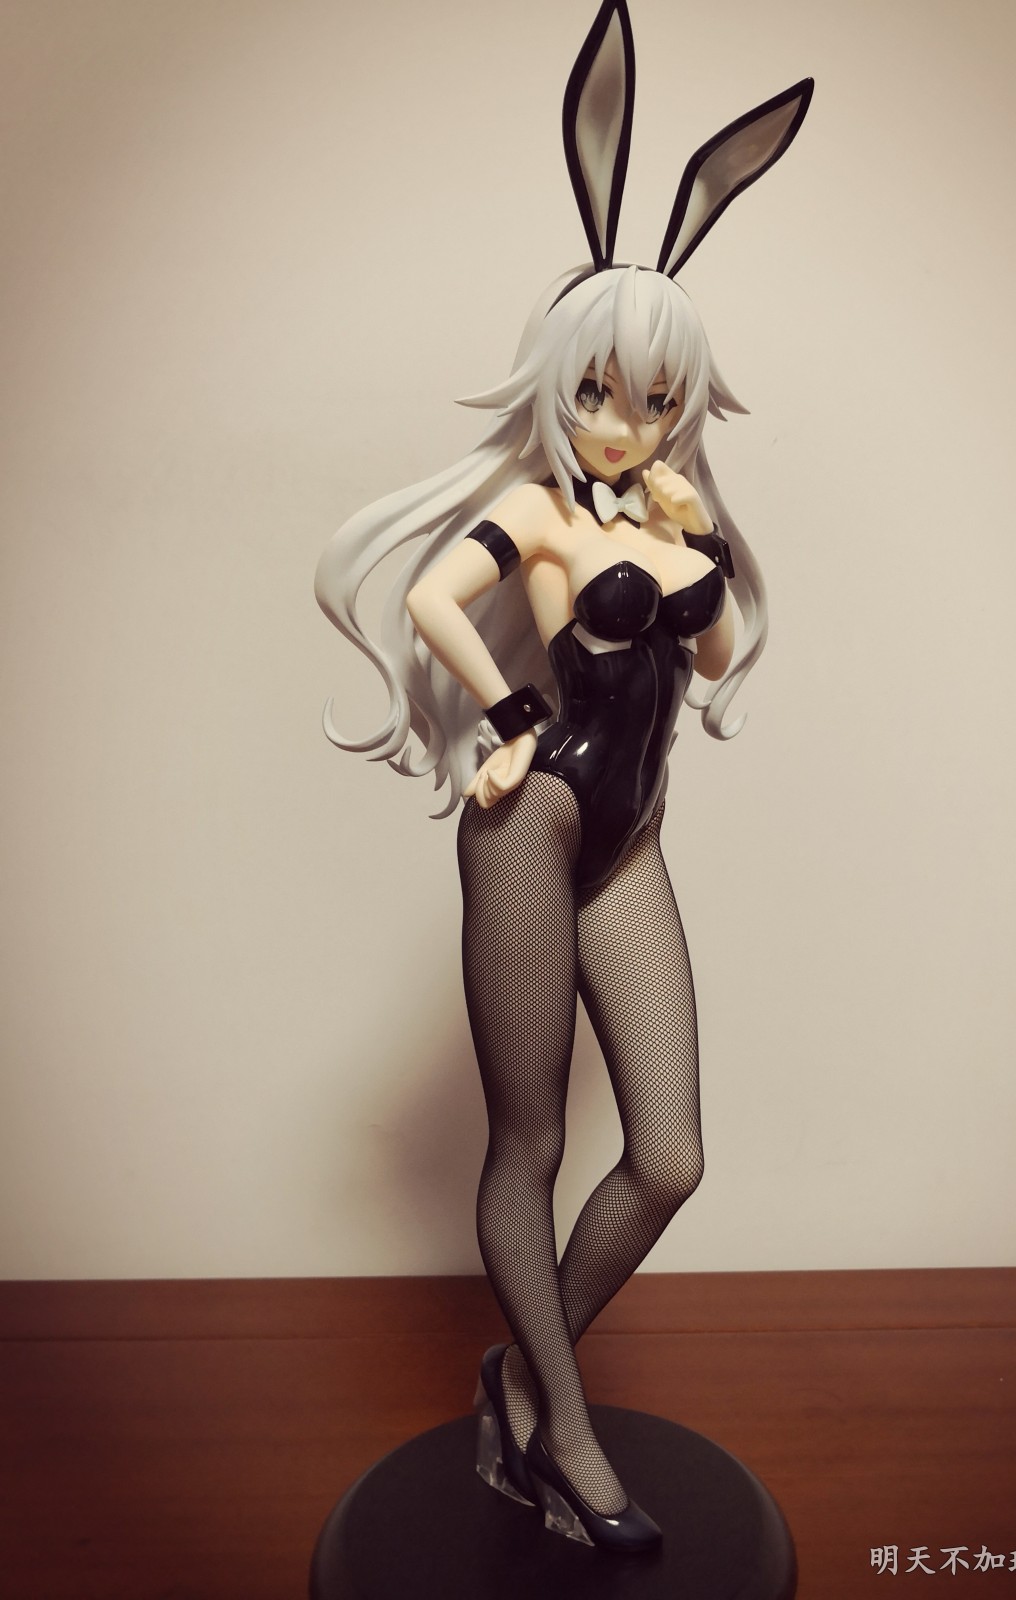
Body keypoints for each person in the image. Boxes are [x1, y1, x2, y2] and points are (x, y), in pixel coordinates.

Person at [315, 0, 812, 1554]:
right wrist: (502, 716)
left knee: (668, 1155)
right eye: (602, 391)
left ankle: (521, 1378)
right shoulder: (536, 513)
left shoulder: (664, 512)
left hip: (632, 833)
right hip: (530, 821)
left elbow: (713, 654)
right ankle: (565, 1436)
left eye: (656, 398)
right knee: (528, 1143)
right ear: (558, 380)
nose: (625, 421)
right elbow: (427, 598)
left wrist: (693, 534)